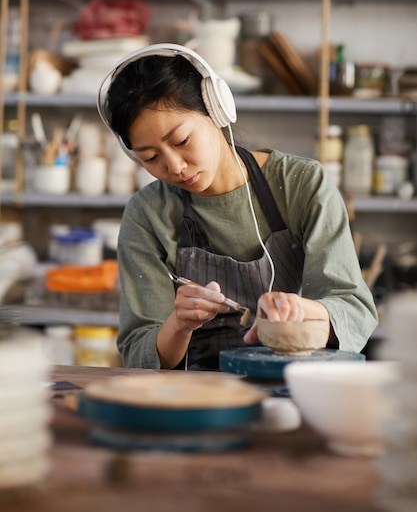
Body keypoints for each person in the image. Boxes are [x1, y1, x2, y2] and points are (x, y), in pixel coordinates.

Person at [97, 43, 378, 371]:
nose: (174, 166)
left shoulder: (302, 184)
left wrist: (301, 310)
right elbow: (138, 353)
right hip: (193, 395)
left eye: (181, 141)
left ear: (216, 110)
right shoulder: (148, 215)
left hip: (295, 381)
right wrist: (179, 324)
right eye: (151, 157)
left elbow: (353, 309)